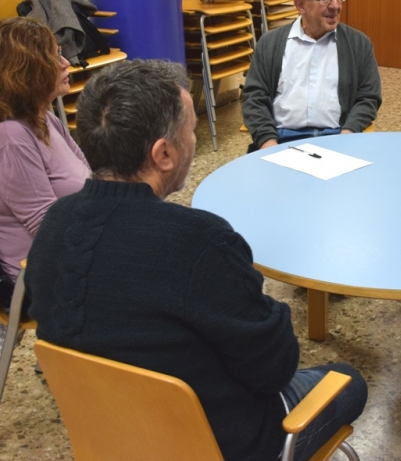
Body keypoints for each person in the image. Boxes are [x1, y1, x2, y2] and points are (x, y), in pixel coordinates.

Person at [25, 60, 368, 461]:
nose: (193, 138)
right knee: (348, 381)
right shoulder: (201, 242)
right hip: (223, 444)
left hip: (110, 435)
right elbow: (273, 370)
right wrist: (264, 304)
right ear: (164, 153)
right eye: (191, 129)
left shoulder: (55, 222)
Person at [0, 18, 90, 283]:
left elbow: (92, 181)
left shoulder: (42, 117)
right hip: (45, 278)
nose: (66, 63)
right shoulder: (8, 138)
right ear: (24, 71)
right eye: (53, 57)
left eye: (60, 54)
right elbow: (48, 230)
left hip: (75, 254)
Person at [242, 0, 381, 151]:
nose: (335, 6)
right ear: (300, 5)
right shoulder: (270, 44)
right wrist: (268, 143)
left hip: (338, 138)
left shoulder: (358, 44)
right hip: (282, 140)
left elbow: (368, 97)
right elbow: (254, 98)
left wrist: (348, 133)